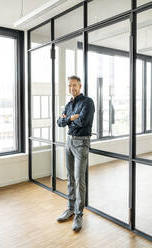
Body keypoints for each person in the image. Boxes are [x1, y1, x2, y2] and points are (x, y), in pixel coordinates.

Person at [57, 75, 95, 232]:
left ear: (80, 86)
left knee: (79, 180)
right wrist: (70, 118)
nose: (71, 88)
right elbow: (59, 122)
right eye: (69, 86)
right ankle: (70, 209)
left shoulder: (88, 102)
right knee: (70, 178)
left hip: (81, 142)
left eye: (74, 85)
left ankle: (79, 214)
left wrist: (69, 119)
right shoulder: (69, 103)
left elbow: (83, 122)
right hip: (69, 142)